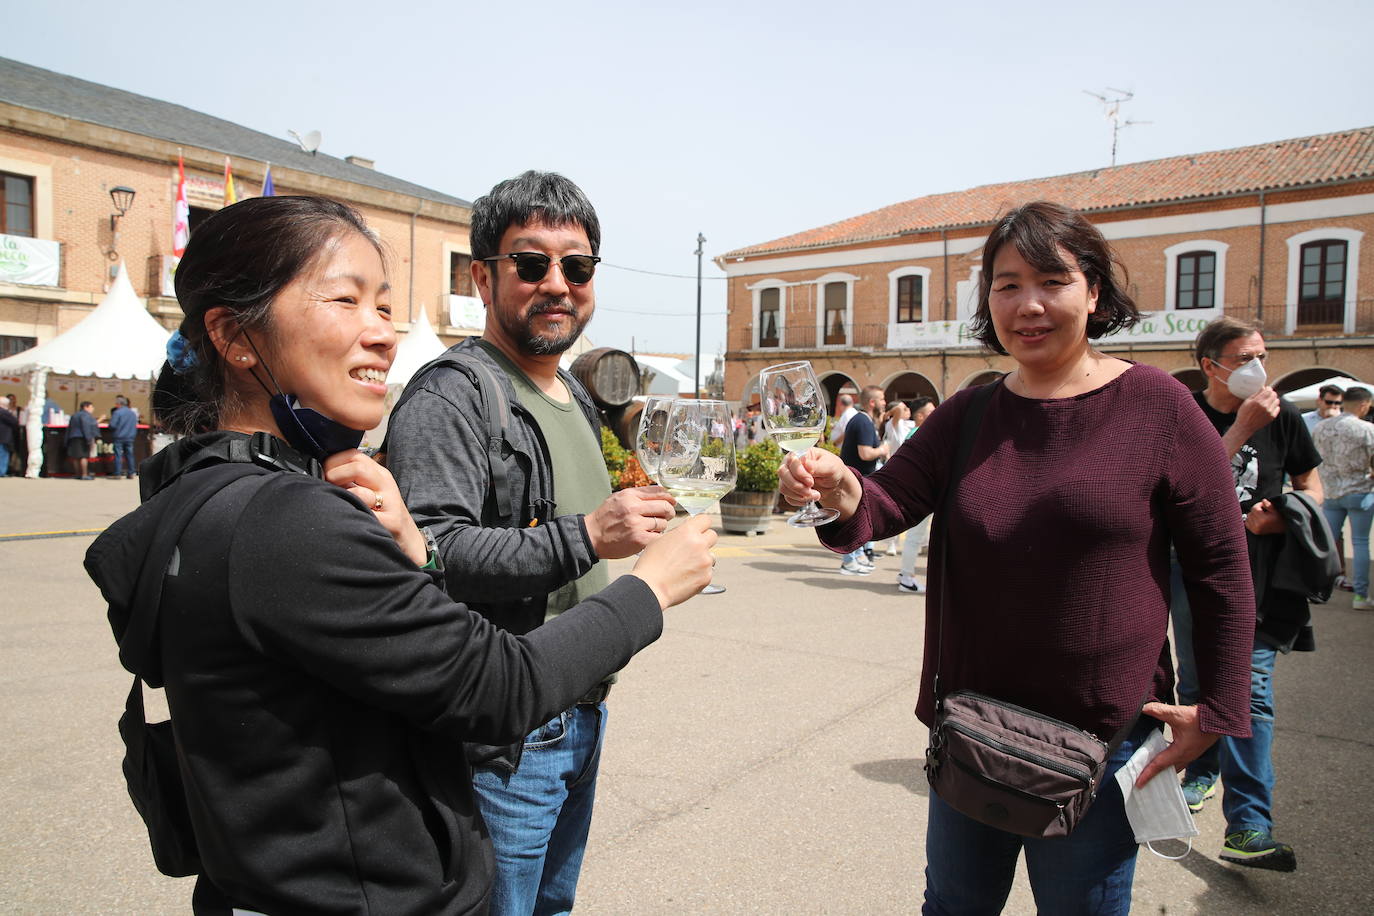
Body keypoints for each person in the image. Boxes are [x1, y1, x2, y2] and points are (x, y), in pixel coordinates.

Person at [82, 195, 716, 915]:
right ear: (235, 336)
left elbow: (382, 652)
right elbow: (495, 684)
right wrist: (649, 588)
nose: (381, 335)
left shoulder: (223, 493)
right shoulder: (287, 516)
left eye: (383, 308)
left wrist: (413, 553)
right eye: (345, 301)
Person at [779, 201, 1254, 914]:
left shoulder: (1159, 407)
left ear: (1094, 292)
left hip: (1099, 744)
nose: (1027, 305)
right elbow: (881, 507)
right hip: (975, 733)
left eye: (1051, 281)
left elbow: (1221, 570)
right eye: (1006, 285)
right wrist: (840, 488)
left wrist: (1217, 712)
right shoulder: (970, 413)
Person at [385, 171, 680, 916]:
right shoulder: (454, 393)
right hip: (506, 737)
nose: (558, 283)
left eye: (576, 267)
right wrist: (586, 534)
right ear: (483, 277)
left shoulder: (572, 391)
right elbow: (432, 552)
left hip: (582, 709)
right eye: (532, 263)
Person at [1171, 315, 1321, 873]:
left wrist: (1289, 516)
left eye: (1263, 354)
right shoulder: (1184, 411)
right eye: (1244, 358)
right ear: (1211, 366)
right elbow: (1179, 489)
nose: (1259, 368)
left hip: (1260, 575)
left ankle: (1249, 825)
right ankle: (1203, 771)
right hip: (1192, 571)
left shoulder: (1283, 417)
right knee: (1198, 681)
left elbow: (1309, 483)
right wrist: (1239, 428)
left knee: (1252, 690)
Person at [1313, 385, 1374, 608]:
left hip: (1331, 491)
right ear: (1363, 404)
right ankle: (1360, 595)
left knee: (1327, 543)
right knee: (1360, 543)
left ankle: (1320, 588)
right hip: (1360, 491)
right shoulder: (1367, 428)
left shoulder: (1321, 428)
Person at [836, 384, 888, 575]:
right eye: (882, 399)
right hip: (856, 480)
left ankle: (857, 557)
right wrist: (883, 450)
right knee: (854, 521)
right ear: (872, 402)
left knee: (859, 520)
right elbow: (865, 453)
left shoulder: (863, 420)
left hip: (857, 479)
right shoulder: (863, 422)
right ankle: (849, 562)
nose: (885, 403)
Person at [896, 397, 937, 593]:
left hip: (919, 493)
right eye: (932, 412)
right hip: (920, 495)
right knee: (915, 536)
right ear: (920, 416)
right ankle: (906, 577)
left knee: (916, 536)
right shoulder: (921, 435)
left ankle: (906, 574)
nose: (937, 414)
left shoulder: (916, 433)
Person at [65, 400, 98, 479]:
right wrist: (89, 439)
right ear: (85, 407)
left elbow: (69, 428)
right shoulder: (86, 415)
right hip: (82, 437)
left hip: (73, 437)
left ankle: (77, 474)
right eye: (91, 407)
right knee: (84, 456)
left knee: (76, 457)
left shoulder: (74, 415)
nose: (93, 409)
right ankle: (84, 474)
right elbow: (86, 427)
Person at [108, 394, 139, 479]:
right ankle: (131, 473)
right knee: (129, 455)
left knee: (118, 455)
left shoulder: (117, 412)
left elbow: (112, 425)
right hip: (130, 437)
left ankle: (118, 473)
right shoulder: (132, 413)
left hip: (119, 437)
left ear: (118, 404)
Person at [0, 394, 18, 477]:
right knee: (3, 454)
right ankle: (1, 472)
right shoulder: (4, 412)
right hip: (3, 437)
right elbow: (14, 422)